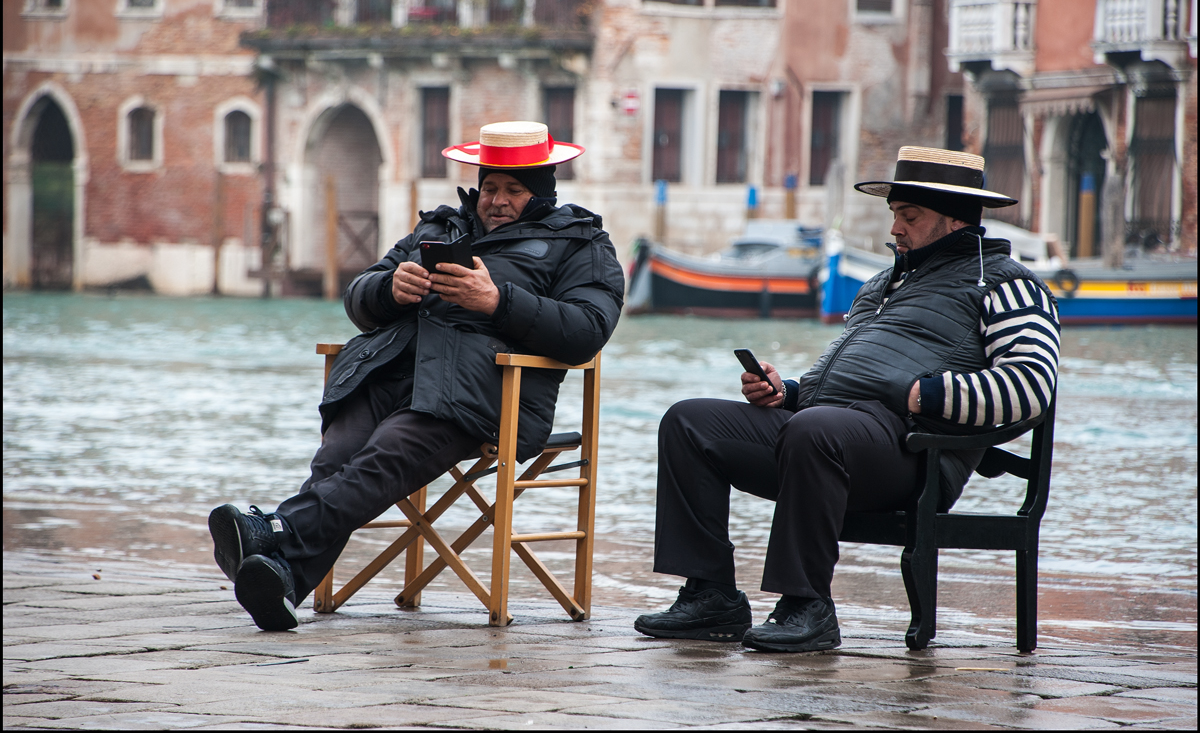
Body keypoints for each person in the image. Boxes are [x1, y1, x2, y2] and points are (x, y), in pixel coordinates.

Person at [634, 146, 1061, 653]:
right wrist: (786, 393)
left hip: (912, 454)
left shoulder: (1008, 286)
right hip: (824, 432)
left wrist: (927, 394)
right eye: (895, 215)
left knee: (814, 430)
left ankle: (807, 605)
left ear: (953, 221)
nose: (895, 229)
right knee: (689, 422)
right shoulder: (880, 284)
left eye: (910, 216)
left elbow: (1032, 386)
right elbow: (838, 383)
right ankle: (711, 597)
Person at [209, 121, 625, 631]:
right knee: (337, 458)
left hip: (481, 394)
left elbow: (588, 330)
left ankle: (274, 530)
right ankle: (285, 579)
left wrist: (497, 301)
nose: (497, 200)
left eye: (513, 190)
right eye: (490, 186)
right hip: (387, 372)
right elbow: (358, 297)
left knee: (385, 456)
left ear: (542, 191)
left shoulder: (581, 242)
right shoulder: (438, 227)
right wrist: (390, 289)